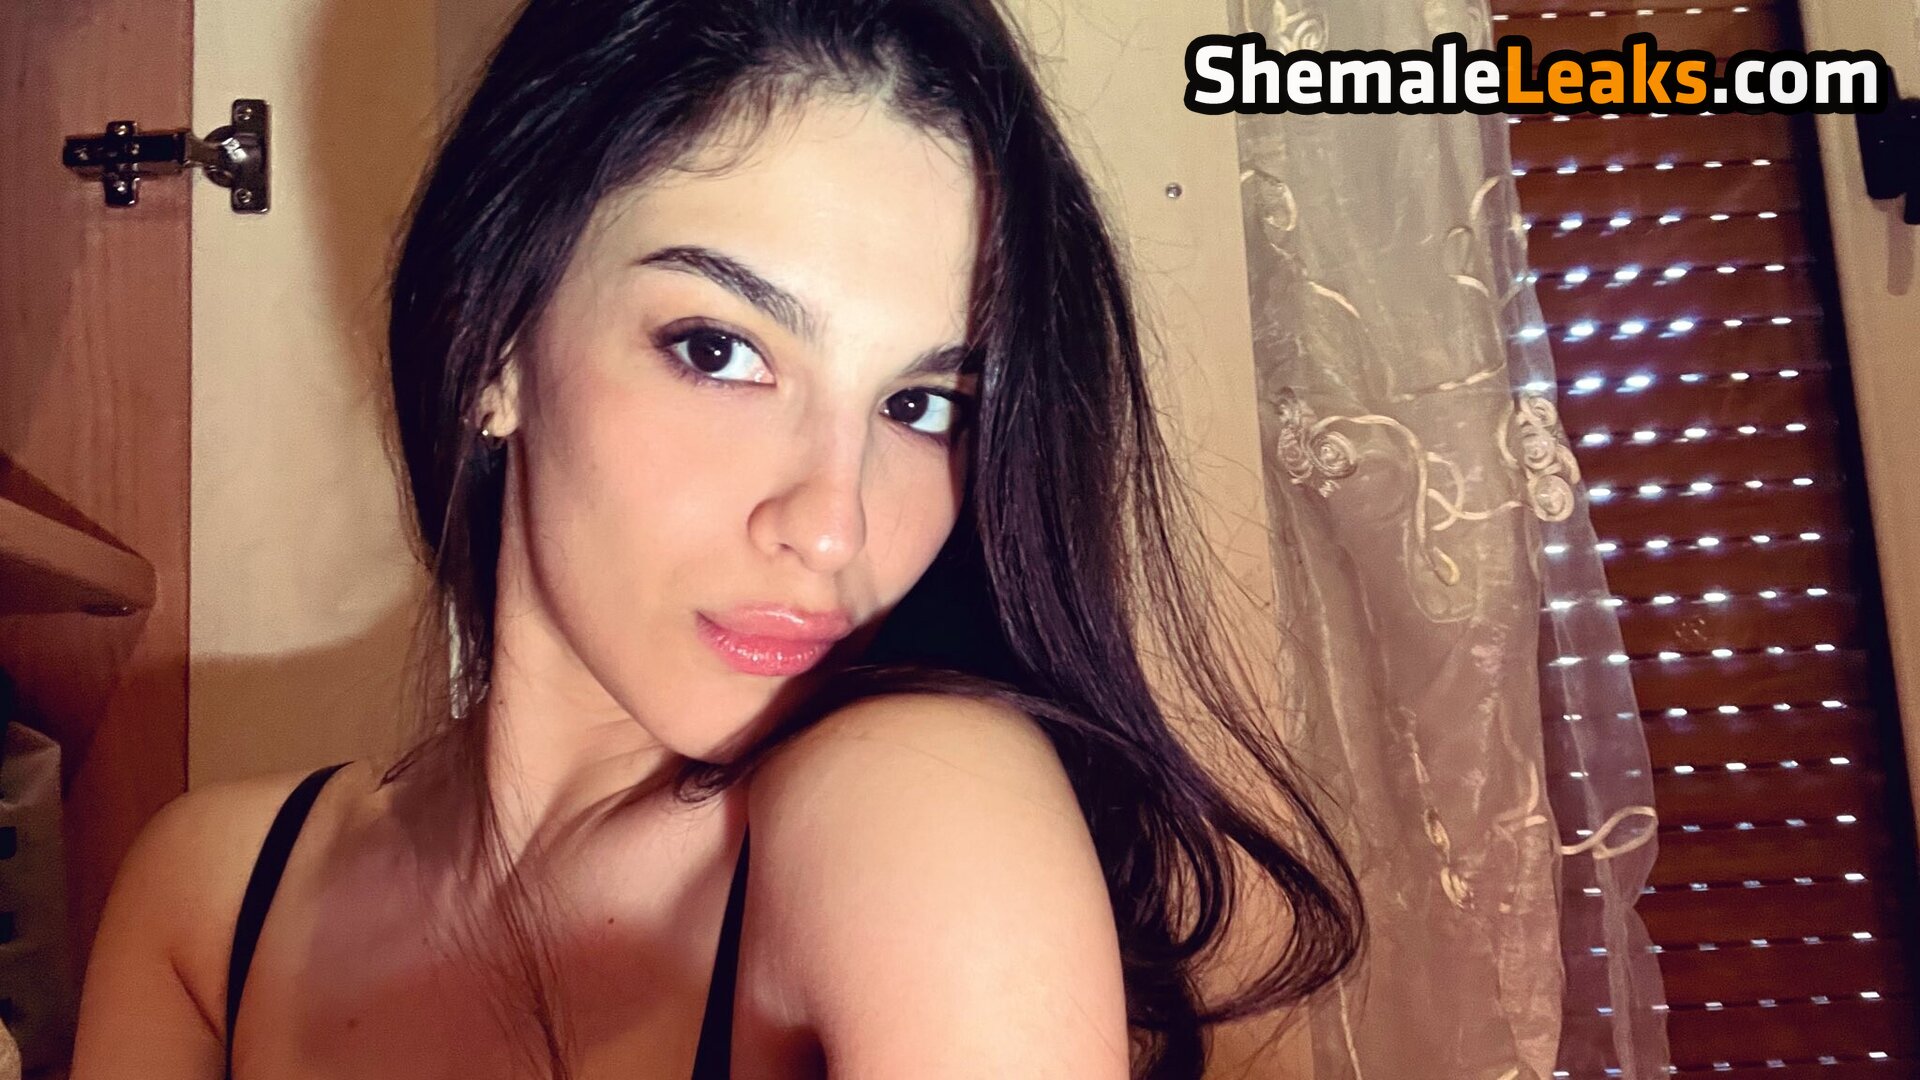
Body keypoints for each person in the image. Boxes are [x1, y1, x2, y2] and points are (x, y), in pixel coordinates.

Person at [69, 1, 1362, 1077]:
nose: (835, 524)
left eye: (923, 406)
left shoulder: (917, 811)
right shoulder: (206, 900)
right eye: (721, 350)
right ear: (493, 344)